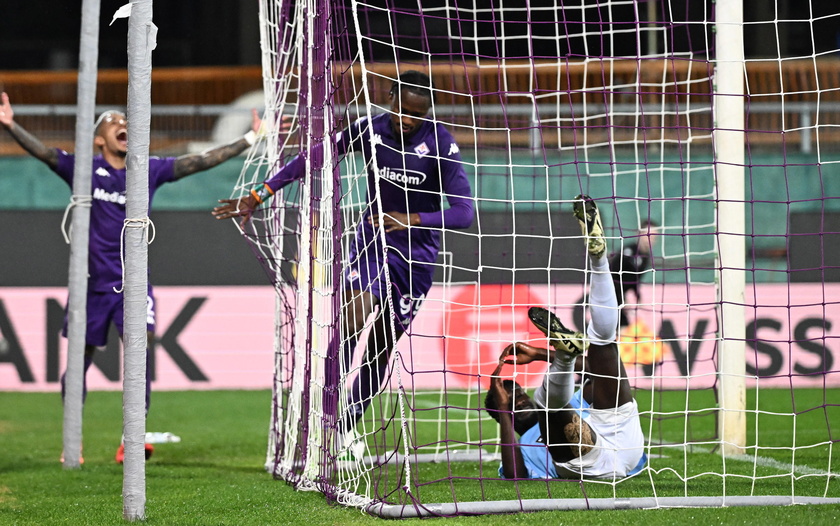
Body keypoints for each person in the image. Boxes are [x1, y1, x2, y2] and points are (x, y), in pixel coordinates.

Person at [212, 70, 474, 460]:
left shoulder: (440, 144)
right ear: (390, 98)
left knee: (381, 349)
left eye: (416, 114)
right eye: (402, 109)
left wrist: (414, 219)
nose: (406, 119)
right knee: (352, 321)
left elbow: (464, 213)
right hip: (371, 242)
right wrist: (259, 193)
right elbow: (313, 157)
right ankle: (324, 418)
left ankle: (347, 424)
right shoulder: (369, 128)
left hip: (416, 257)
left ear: (427, 112)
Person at [0, 91, 264, 464]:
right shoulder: (84, 170)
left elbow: (198, 161)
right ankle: (71, 439)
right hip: (90, 284)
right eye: (113, 122)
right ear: (98, 139)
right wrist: (11, 126)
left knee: (140, 350)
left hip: (134, 282)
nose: (122, 124)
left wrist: (249, 139)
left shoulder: (147, 169)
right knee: (78, 362)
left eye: (125, 120)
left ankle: (132, 438)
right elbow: (44, 154)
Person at [485, 194, 646, 480]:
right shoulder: (518, 446)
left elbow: (593, 368)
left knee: (603, 345)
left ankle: (598, 260)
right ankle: (563, 356)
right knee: (549, 402)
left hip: (621, 437)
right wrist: (504, 413)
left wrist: (538, 354)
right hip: (590, 462)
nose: (520, 400)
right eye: (511, 401)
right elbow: (515, 477)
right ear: (500, 414)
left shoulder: (575, 403)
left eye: (517, 393)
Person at [609, 220, 658, 328]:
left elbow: (633, 280)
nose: (651, 239)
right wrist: (622, 299)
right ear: (639, 234)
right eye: (648, 235)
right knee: (620, 330)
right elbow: (612, 276)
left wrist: (637, 296)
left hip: (619, 299)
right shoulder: (628, 252)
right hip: (610, 298)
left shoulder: (645, 257)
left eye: (654, 236)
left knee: (626, 329)